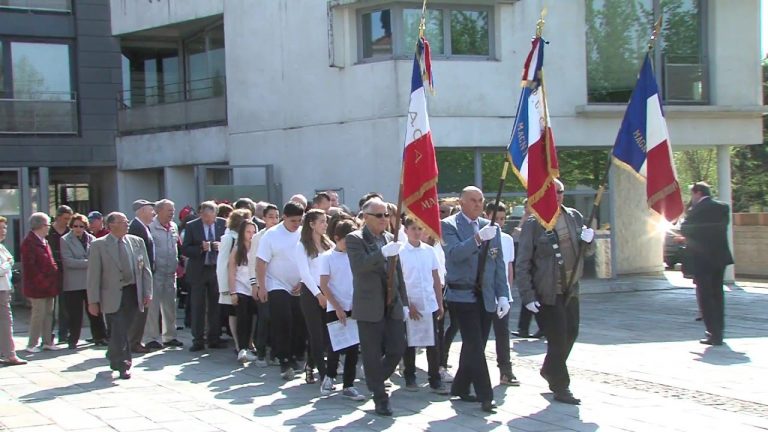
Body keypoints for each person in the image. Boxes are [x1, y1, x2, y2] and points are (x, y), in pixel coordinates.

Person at [516, 179, 594, 405]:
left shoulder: (574, 216)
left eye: (560, 192)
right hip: (547, 290)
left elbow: (585, 252)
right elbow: (523, 263)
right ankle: (561, 386)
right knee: (558, 338)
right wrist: (527, 296)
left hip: (571, 288)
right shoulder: (534, 223)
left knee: (572, 333)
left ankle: (550, 369)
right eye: (552, 193)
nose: (558, 196)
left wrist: (589, 242)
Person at [442, 186, 510, 413]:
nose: (478, 205)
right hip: (462, 295)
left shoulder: (491, 227)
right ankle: (486, 395)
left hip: (486, 295)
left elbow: (498, 263)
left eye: (481, 200)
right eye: (472, 200)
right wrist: (477, 239)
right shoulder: (449, 225)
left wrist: (503, 295)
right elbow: (454, 255)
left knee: (476, 343)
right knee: (475, 345)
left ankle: (460, 386)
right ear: (461, 202)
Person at [346, 198, 409, 416]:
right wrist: (381, 253)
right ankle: (381, 398)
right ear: (366, 217)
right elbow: (359, 266)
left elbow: (398, 273)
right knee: (372, 353)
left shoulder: (391, 238)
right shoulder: (354, 239)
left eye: (386, 215)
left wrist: (405, 302)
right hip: (369, 304)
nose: (385, 219)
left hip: (392, 303)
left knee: (397, 348)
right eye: (379, 215)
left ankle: (375, 381)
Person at [87, 212, 153, 380]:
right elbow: (93, 275)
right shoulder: (99, 245)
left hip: (133, 292)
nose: (127, 224)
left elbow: (145, 269)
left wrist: (147, 292)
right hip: (112, 294)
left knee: (125, 328)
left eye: (126, 221)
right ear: (111, 225)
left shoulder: (136, 242)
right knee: (119, 327)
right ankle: (123, 364)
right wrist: (93, 301)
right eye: (123, 222)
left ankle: (113, 352)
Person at [256, 201, 306, 380]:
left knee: (298, 321)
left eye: (300, 220)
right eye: (293, 221)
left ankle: (295, 355)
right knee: (284, 320)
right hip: (276, 283)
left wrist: (304, 279)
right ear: (284, 217)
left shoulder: (303, 233)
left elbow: (309, 258)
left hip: (298, 284)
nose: (296, 224)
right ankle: (284, 360)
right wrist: (262, 286)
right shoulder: (271, 235)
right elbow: (261, 262)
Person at [399, 217, 449, 394]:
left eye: (420, 228)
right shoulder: (401, 252)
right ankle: (410, 376)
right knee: (410, 342)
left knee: (432, 342)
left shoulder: (429, 251)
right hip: (411, 302)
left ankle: (434, 378)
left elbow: (435, 278)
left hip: (428, 302)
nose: (417, 232)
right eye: (413, 228)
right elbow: (400, 282)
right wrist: (408, 304)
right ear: (406, 231)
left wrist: (439, 302)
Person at [681, 181, 734, 346]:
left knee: (705, 297)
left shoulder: (696, 210)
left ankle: (713, 333)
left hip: (702, 259)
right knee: (718, 295)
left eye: (692, 194)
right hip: (719, 258)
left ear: (697, 193)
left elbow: (685, 229)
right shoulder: (723, 207)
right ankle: (720, 331)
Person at [318, 218, 366, 401]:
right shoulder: (327, 257)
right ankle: (329, 377)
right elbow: (324, 284)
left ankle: (349, 384)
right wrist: (337, 307)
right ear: (337, 238)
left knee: (353, 347)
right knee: (335, 345)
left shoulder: (355, 256)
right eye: (347, 240)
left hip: (354, 305)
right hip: (335, 306)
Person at [182, 201, 227, 352]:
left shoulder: (223, 224)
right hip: (199, 271)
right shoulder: (192, 226)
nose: (208, 220)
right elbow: (185, 249)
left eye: (211, 216)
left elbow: (231, 245)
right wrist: (200, 248)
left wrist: (221, 247)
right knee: (198, 306)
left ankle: (214, 337)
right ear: (200, 214)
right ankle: (198, 339)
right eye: (205, 216)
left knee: (216, 305)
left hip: (216, 269)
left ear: (216, 214)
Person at [295, 209, 333, 385]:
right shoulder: (302, 245)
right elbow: (305, 273)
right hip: (311, 293)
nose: (325, 224)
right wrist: (318, 294)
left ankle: (310, 365)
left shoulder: (328, 244)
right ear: (311, 224)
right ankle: (324, 375)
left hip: (328, 290)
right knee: (316, 333)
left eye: (326, 221)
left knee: (326, 335)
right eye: (321, 221)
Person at [484, 202, 520, 386]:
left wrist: (508, 293)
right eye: (495, 218)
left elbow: (509, 267)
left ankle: (506, 371)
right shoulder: (482, 236)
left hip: (502, 294)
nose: (499, 222)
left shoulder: (506, 239)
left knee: (503, 334)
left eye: (502, 219)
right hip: (484, 294)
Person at [60, 213, 107, 349]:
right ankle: (73, 339)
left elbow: (98, 258)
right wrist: (89, 263)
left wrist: (88, 262)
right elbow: (68, 262)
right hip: (73, 283)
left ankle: (100, 337)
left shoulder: (92, 239)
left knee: (95, 311)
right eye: (75, 226)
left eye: (81, 226)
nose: (78, 229)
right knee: (75, 314)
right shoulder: (65, 240)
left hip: (90, 282)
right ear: (71, 226)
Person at [145, 199, 183, 350]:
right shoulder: (149, 227)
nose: (172, 213)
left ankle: (170, 336)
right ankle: (152, 337)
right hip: (156, 272)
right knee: (153, 307)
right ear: (159, 211)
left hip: (170, 272)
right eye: (169, 210)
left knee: (170, 305)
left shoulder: (173, 226)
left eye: (173, 210)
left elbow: (177, 246)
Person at [22, 212, 62, 353]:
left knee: (48, 314)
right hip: (37, 286)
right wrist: (42, 282)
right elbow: (30, 267)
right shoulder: (29, 242)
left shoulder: (44, 241)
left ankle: (47, 342)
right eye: (47, 224)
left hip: (49, 285)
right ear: (39, 226)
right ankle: (32, 344)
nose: (49, 227)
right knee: (38, 314)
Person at [217, 209, 253, 352]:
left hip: (246, 284)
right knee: (234, 313)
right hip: (232, 283)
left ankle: (248, 342)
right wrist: (225, 288)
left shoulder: (251, 240)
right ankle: (239, 344)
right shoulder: (228, 238)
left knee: (247, 314)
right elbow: (223, 264)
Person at [248, 203, 280, 366]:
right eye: (270, 217)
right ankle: (260, 353)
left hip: (279, 283)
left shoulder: (281, 235)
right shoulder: (258, 237)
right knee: (264, 318)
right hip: (263, 282)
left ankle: (275, 353)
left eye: (276, 216)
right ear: (263, 219)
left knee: (277, 319)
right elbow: (252, 261)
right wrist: (255, 284)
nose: (274, 220)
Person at [127, 200, 156, 354]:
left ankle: (135, 340)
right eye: (151, 210)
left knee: (143, 309)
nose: (154, 213)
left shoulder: (144, 227)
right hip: (140, 276)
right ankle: (134, 342)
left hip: (146, 274)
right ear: (142, 211)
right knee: (140, 309)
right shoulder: (136, 228)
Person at [512, 201, 543, 339]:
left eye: (527, 207)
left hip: (533, 264)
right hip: (523, 260)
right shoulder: (527, 219)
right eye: (524, 207)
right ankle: (523, 328)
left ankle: (541, 327)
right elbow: (516, 233)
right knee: (528, 297)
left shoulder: (537, 221)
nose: (525, 209)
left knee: (532, 298)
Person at [228, 220, 258, 363]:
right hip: (240, 288)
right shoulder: (237, 249)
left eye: (253, 232)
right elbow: (232, 271)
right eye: (248, 231)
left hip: (254, 287)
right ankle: (241, 348)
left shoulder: (257, 248)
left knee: (253, 317)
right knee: (242, 318)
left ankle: (250, 345)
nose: (251, 235)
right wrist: (233, 292)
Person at [0, 216, 26, 365]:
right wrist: (8, 264)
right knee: (6, 321)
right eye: (1, 228)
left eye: (4, 228)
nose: (3, 231)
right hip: (1, 290)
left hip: (5, 288)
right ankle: (10, 354)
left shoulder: (2, 247)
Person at [48, 205, 72, 345]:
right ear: (58, 217)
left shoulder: (70, 231)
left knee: (65, 305)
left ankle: (63, 333)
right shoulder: (49, 231)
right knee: (50, 305)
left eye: (69, 219)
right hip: (51, 271)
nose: (67, 221)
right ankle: (47, 334)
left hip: (66, 271)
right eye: (65, 219)